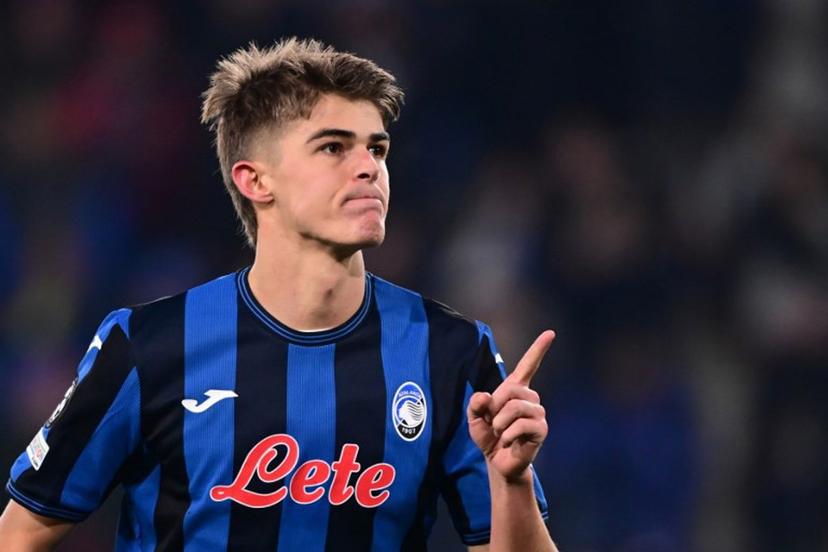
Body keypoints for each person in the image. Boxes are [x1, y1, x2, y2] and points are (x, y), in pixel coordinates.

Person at [0, 38, 558, 551]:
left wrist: (513, 482)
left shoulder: (452, 354)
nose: (369, 168)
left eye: (378, 149)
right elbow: (20, 534)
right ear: (255, 180)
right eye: (334, 148)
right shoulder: (148, 347)